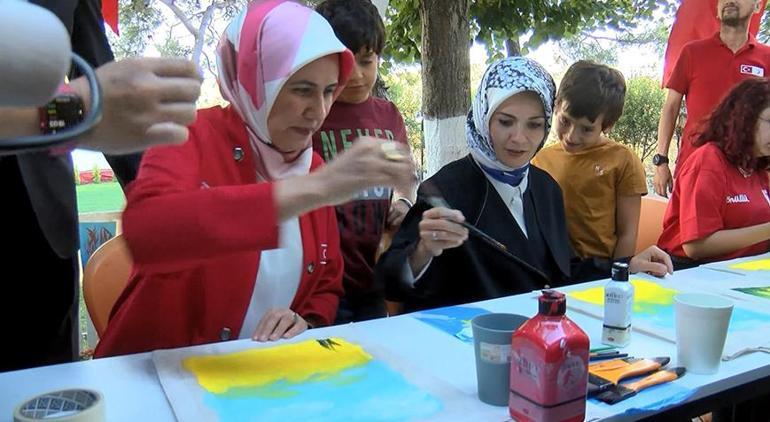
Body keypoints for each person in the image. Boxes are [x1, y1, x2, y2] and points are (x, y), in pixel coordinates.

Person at [94, 0, 415, 358]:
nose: (319, 111)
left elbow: (326, 284)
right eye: (301, 89)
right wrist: (314, 189)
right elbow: (148, 231)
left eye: (328, 91)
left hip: (254, 384)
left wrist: (304, 321)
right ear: (256, 80)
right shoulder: (191, 135)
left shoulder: (313, 167)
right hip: (152, 382)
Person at [375, 57, 672, 313]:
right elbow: (390, 283)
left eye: (533, 124)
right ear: (483, 116)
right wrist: (423, 251)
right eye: (505, 122)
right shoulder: (444, 192)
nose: (519, 138)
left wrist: (626, 267)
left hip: (539, 343)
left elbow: (563, 271)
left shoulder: (545, 188)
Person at [0, 0, 201, 372]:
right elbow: (88, 107)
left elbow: (102, 79)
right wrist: (71, 113)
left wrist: (161, 205)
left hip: (42, 226)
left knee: (47, 388)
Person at [313, 0, 416, 323]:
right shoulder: (312, 114)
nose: (357, 75)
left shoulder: (388, 116)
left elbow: (405, 180)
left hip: (374, 276)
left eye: (366, 61)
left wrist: (403, 202)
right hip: (324, 281)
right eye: (345, 63)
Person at [532, 61, 647, 281]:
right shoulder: (540, 159)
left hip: (600, 272)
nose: (572, 136)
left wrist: (616, 278)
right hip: (552, 272)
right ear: (556, 106)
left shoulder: (623, 160)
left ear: (608, 125)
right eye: (565, 121)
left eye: (586, 129)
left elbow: (627, 233)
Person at [653, 0, 770, 197]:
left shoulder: (766, 57)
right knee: (685, 228)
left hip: (748, 170)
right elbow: (671, 108)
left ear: (758, 6)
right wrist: (661, 160)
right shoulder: (692, 52)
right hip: (694, 167)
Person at [658, 78, 770, 265]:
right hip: (689, 273)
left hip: (743, 272)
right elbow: (696, 246)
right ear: (745, 117)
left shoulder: (759, 167)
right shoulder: (708, 162)